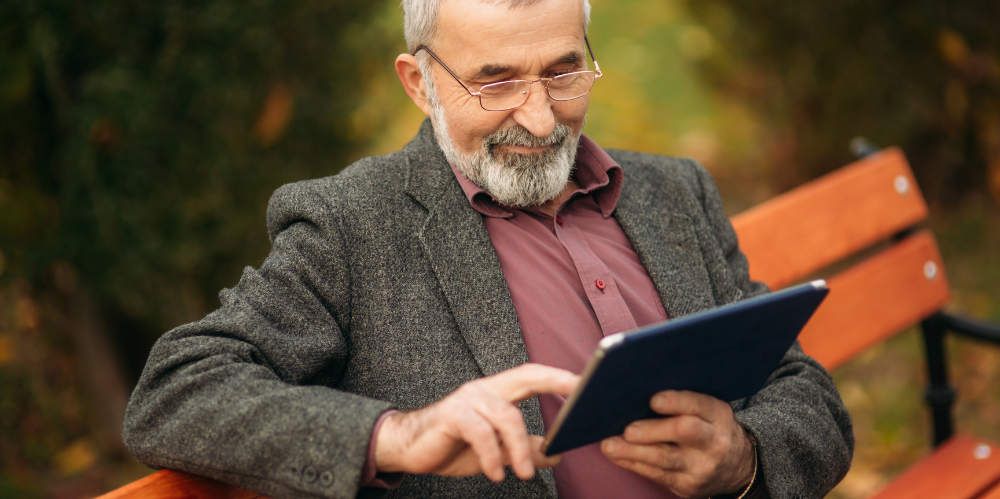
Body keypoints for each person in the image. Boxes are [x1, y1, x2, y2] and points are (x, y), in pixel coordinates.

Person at [122, 0, 853, 498]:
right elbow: (175, 390)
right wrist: (397, 435)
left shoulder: (675, 191)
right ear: (419, 83)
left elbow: (805, 393)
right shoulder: (350, 226)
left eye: (563, 70)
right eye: (495, 81)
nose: (538, 118)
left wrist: (745, 459)